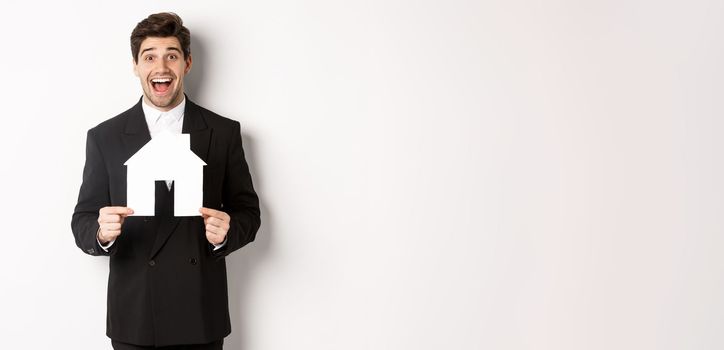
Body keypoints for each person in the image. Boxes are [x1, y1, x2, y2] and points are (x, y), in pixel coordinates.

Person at [71, 12, 260, 349]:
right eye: (150, 57)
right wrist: (100, 233)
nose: (161, 66)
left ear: (187, 63)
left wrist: (227, 233)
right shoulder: (105, 137)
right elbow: (82, 220)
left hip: (200, 315)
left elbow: (248, 212)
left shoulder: (223, 132)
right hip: (135, 318)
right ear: (135, 66)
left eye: (171, 55)